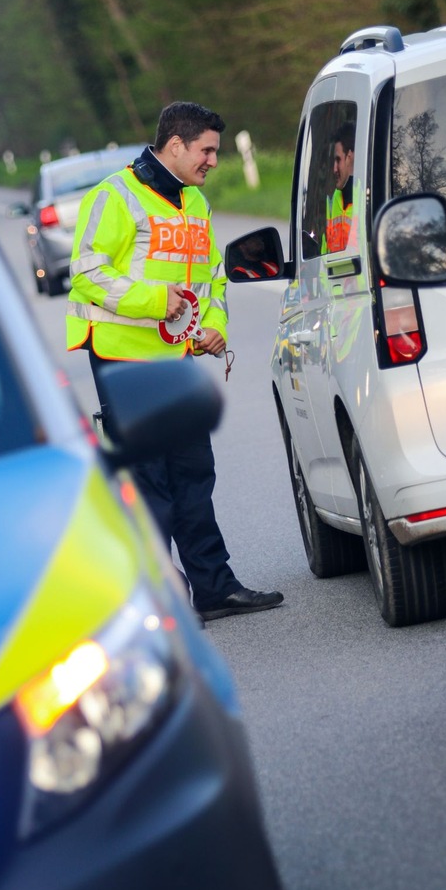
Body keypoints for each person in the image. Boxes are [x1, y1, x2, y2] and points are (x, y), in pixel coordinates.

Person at [66, 101, 284, 622]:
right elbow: (86, 272)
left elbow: (211, 280)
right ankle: (162, 600)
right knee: (151, 483)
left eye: (216, 151)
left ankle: (213, 588)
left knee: (193, 474)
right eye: (206, 150)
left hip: (176, 361)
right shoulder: (115, 195)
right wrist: (153, 299)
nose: (213, 161)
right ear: (176, 145)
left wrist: (215, 327)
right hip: (123, 361)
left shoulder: (196, 204)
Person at [322, 120, 357, 253]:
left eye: (338, 160)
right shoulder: (332, 203)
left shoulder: (366, 202)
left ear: (350, 156)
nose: (334, 169)